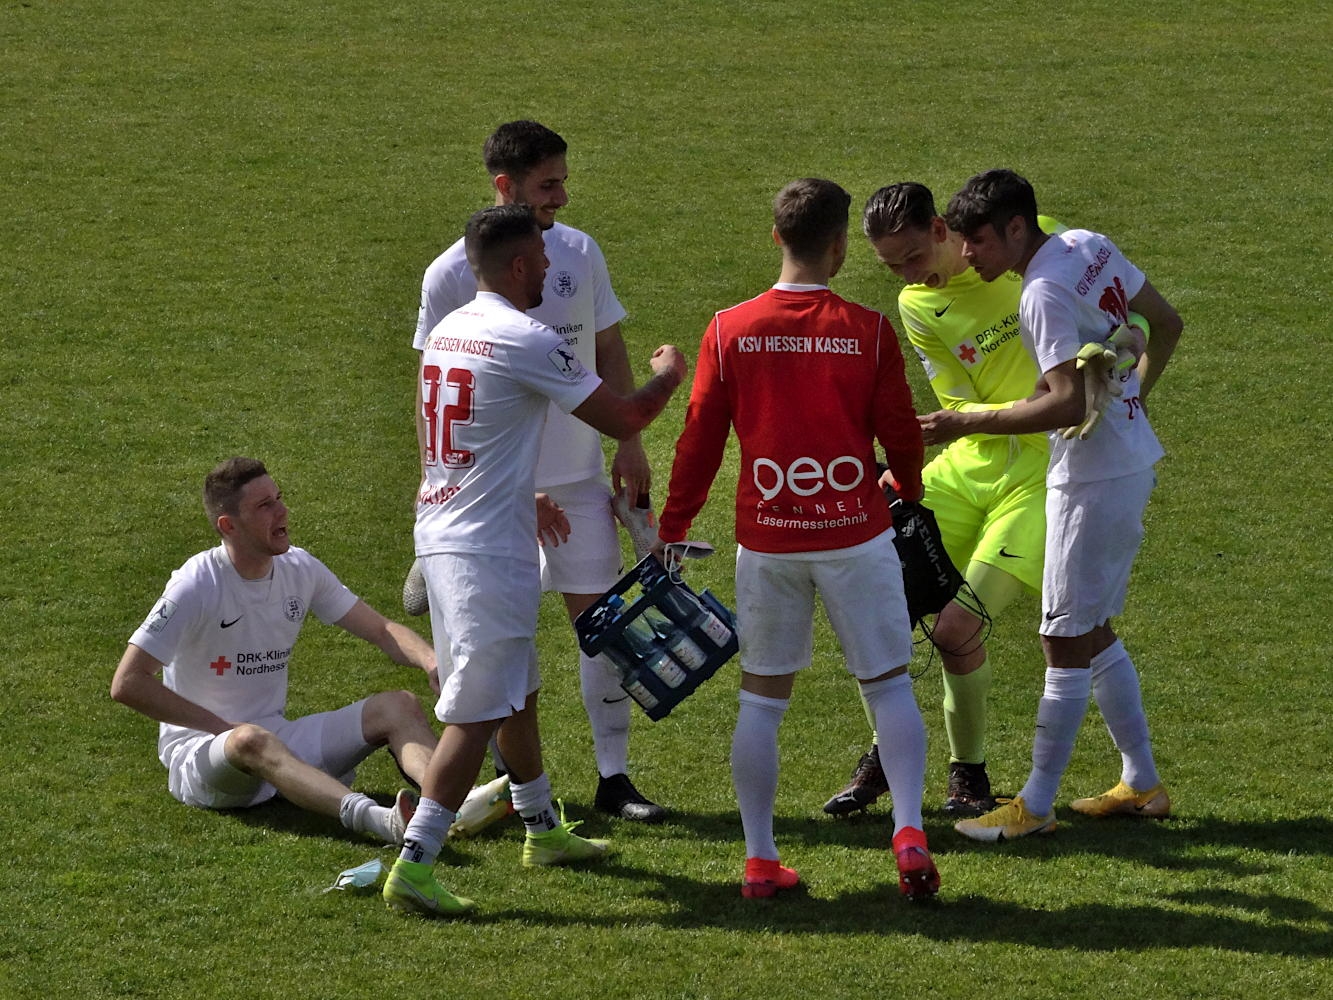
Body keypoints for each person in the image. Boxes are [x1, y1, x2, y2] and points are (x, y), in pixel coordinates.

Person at [384, 204, 685, 916]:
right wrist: (669, 374)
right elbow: (624, 416)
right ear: (518, 266)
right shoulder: (524, 337)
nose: (551, 268)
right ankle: (415, 864)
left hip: (456, 529)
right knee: (476, 711)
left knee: (517, 687)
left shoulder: (451, 330)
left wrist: (522, 493)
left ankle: (542, 828)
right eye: (542, 260)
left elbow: (459, 436)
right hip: (483, 550)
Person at [655, 179, 939, 901]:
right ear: (840, 247)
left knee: (762, 700)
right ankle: (909, 833)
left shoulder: (730, 329)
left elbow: (699, 439)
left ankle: (759, 860)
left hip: (769, 538)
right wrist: (908, 487)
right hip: (856, 533)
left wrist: (675, 526)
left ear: (776, 237)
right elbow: (900, 431)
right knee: (887, 685)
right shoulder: (868, 330)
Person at [405, 120, 667, 822]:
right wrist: (443, 486)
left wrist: (629, 446)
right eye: (548, 184)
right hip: (497, 498)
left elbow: (607, 344)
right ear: (506, 185)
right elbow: (435, 393)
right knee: (494, 660)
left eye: (562, 181)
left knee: (602, 627)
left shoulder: (578, 252)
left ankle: (613, 779)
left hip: (576, 480)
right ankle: (508, 792)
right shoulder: (451, 274)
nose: (562, 197)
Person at [930, 169, 1182, 842]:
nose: (967, 255)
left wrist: (965, 422)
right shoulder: (1085, 243)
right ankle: (1142, 782)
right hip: (1127, 461)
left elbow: (1065, 403)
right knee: (1091, 628)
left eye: (979, 241)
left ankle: (1035, 806)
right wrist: (1135, 398)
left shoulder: (1039, 292)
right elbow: (1165, 322)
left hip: (1091, 478)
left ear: (1017, 228)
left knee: (1062, 635)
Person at [823, 184, 1079, 818]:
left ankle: (969, 775)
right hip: (967, 466)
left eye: (913, 257)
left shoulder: (1029, 243)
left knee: (956, 627)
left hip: (1043, 471)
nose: (909, 276)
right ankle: (886, 753)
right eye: (892, 267)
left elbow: (1109, 307)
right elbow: (957, 402)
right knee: (880, 605)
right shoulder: (917, 304)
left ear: (943, 229)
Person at [110, 457, 510, 846]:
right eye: (264, 506)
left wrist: (430, 660)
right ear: (228, 525)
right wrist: (221, 729)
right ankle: (380, 820)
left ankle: (449, 804)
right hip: (205, 758)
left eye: (279, 498)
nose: (282, 511)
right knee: (250, 739)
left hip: (277, 738)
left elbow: (382, 629)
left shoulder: (299, 568)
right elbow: (127, 682)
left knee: (398, 706)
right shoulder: (195, 584)